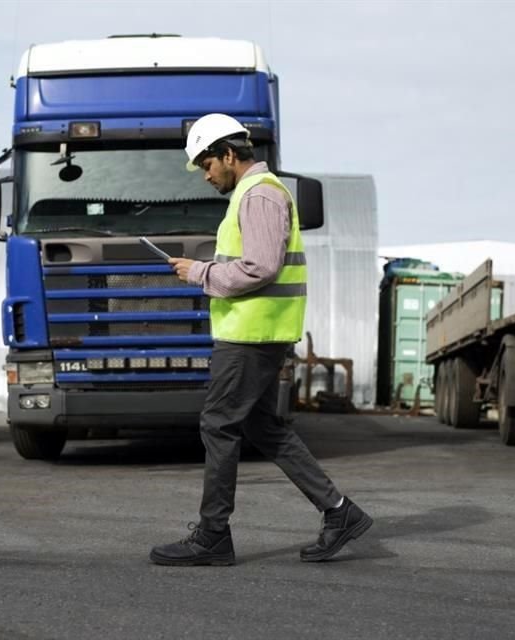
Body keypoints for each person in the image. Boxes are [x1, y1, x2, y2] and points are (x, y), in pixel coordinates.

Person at [149, 113, 373, 566]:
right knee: (262, 427)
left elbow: (261, 267)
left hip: (252, 336)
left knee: (218, 425)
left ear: (229, 155)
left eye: (207, 164)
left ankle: (213, 535)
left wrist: (200, 272)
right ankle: (339, 511)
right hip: (257, 331)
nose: (206, 174)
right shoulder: (256, 195)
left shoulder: (260, 195)